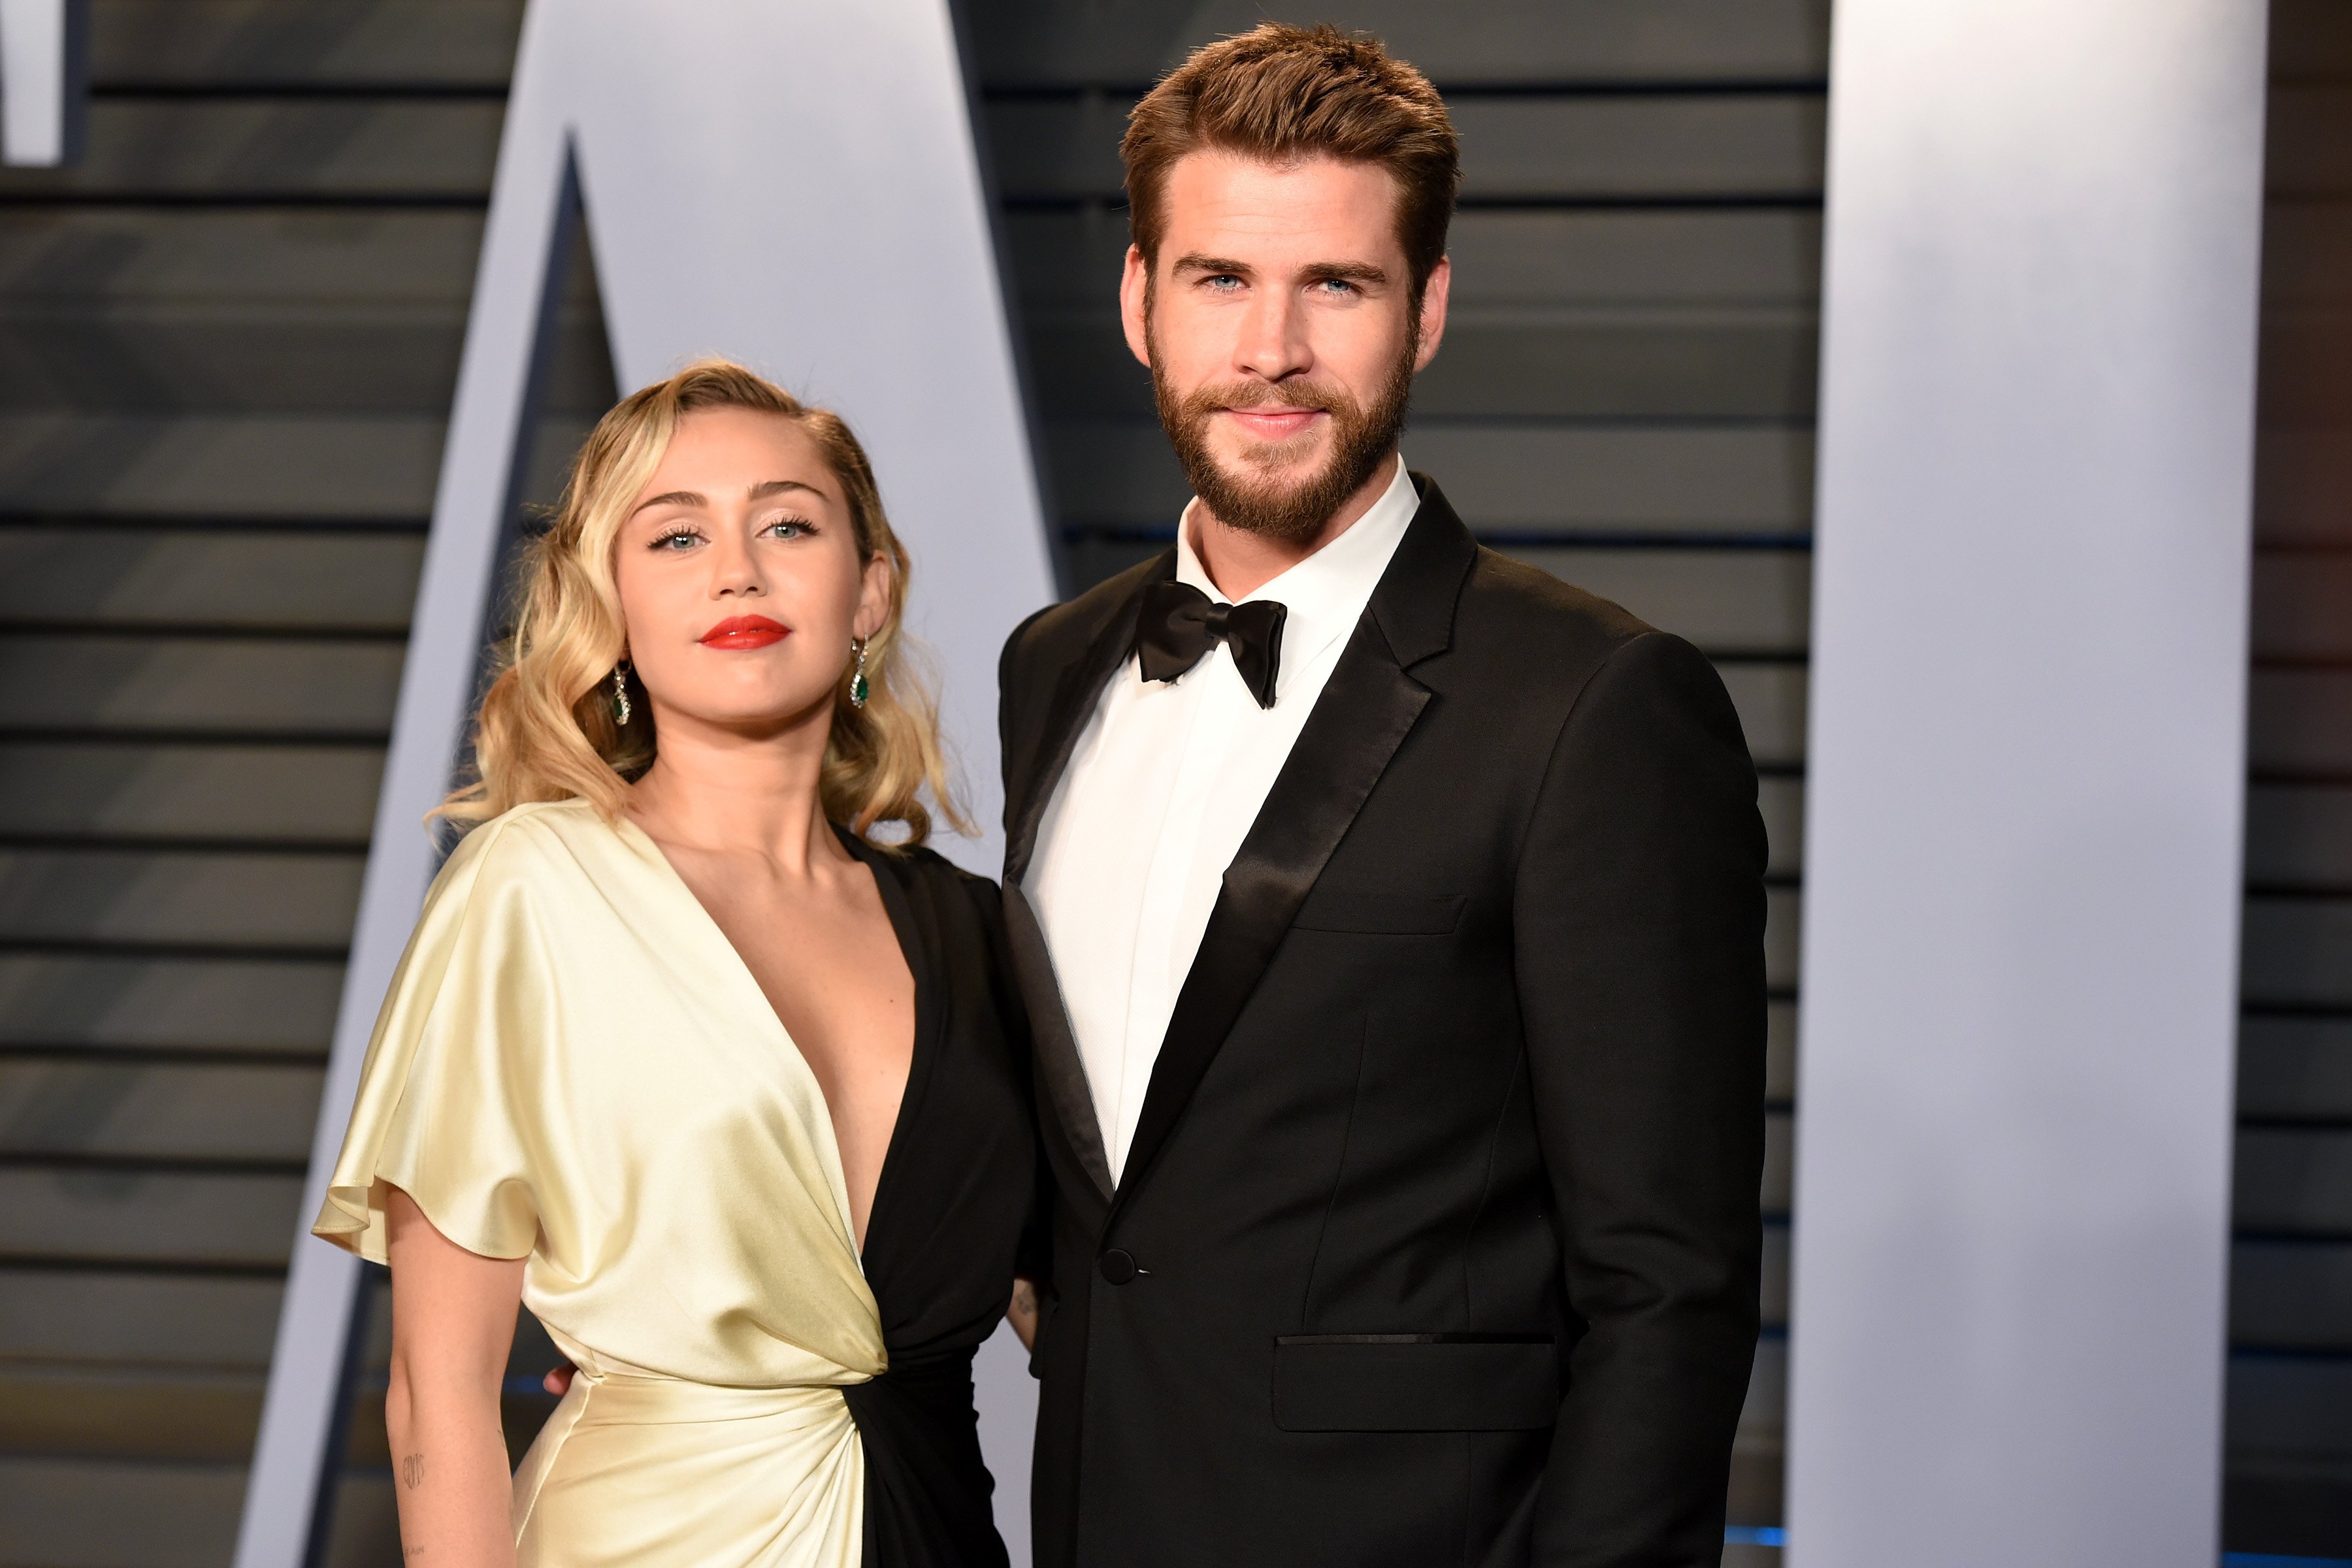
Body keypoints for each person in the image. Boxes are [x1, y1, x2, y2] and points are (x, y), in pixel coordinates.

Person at [997, 26, 1767, 1567]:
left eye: (1333, 286)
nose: (1271, 348)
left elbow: (1666, 1292)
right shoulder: (1054, 665)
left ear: (1424, 313)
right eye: (1219, 280)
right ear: (1141, 303)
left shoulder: (1597, 705)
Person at [312, 359, 1039, 1567]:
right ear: (611, 606)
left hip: (941, 1530)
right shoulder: (533, 891)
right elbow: (438, 1396)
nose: (737, 570)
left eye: (788, 525)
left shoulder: (975, 930)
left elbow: (1071, 1312)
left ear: (872, 591)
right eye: (676, 537)